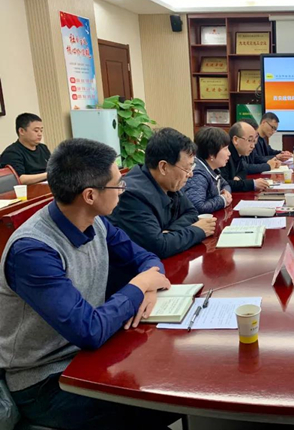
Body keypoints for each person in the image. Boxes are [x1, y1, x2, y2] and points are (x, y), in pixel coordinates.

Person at [0, 138, 181, 429]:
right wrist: (139, 287)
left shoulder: (95, 221)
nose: (124, 190)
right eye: (118, 185)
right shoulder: (33, 251)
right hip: (45, 382)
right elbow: (89, 330)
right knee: (162, 395)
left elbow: (147, 258)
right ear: (89, 195)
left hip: (91, 355)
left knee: (170, 373)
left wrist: (148, 284)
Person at [108, 127, 216, 259]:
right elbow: (159, 247)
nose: (190, 174)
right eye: (187, 168)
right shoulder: (131, 195)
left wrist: (170, 232)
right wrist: (198, 230)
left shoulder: (169, 183)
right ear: (163, 167)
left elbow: (191, 212)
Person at [182, 126, 233, 214]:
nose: (229, 153)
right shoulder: (198, 174)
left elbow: (225, 184)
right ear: (211, 153)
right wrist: (223, 199)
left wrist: (226, 193)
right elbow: (197, 206)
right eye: (225, 149)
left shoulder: (213, 168)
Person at [0, 113, 51, 184]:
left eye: (41, 130)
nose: (40, 134)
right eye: (36, 131)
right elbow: (19, 179)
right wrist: (49, 174)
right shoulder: (12, 153)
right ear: (21, 131)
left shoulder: (43, 148)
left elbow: (54, 167)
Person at [221, 121, 270, 193]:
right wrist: (253, 184)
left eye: (254, 141)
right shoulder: (224, 155)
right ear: (235, 140)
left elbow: (243, 170)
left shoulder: (239, 152)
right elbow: (223, 185)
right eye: (249, 140)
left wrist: (238, 178)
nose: (253, 146)